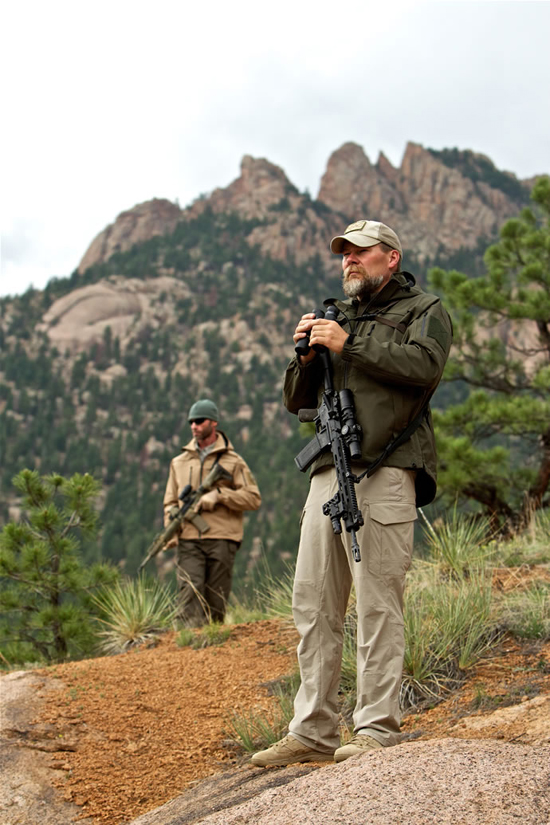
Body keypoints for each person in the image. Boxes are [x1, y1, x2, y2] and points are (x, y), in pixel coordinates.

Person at [251, 219, 452, 767]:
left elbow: (426, 367)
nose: (350, 261)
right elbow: (297, 399)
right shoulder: (337, 318)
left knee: (378, 601)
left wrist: (350, 342)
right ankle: (312, 729)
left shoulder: (423, 310)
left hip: (386, 472)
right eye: (344, 254)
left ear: (391, 257)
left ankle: (376, 730)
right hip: (325, 473)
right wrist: (306, 356)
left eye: (361, 253)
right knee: (313, 603)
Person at [163, 399, 261, 626]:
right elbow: (169, 500)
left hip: (222, 537)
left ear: (213, 422)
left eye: (199, 421)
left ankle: (213, 648)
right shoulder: (178, 462)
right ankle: (188, 648)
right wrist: (170, 526)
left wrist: (219, 495)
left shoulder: (233, 462)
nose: (194, 426)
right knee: (189, 591)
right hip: (189, 537)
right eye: (191, 422)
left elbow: (253, 498)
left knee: (216, 599)